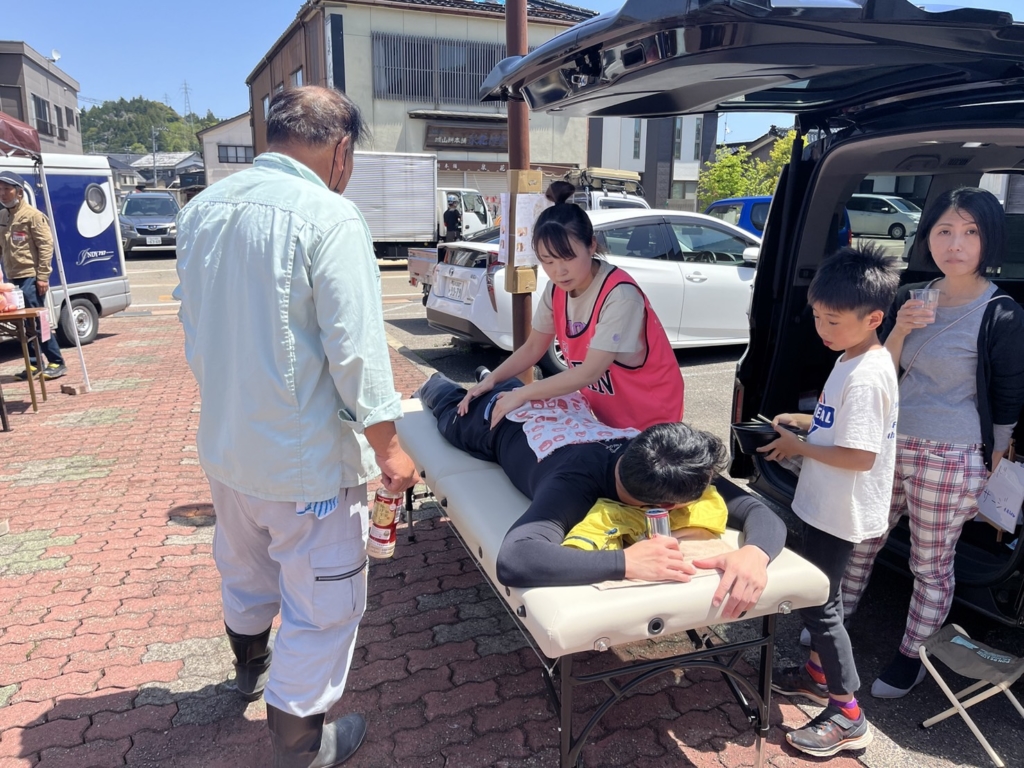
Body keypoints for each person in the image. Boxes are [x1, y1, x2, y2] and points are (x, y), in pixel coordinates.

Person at [175, 86, 419, 768]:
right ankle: (300, 748)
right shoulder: (329, 215)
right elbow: (357, 349)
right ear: (342, 150)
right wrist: (390, 448)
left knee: (245, 572)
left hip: (228, 449)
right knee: (323, 606)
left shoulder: (202, 210)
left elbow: (193, 325)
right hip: (305, 464)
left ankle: (248, 671)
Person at [839, 187, 1024, 699]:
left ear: (989, 239)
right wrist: (898, 329)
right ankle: (835, 623)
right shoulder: (911, 296)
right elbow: (881, 369)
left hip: (953, 455)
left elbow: (1009, 397)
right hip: (890, 443)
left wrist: (994, 459)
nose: (955, 244)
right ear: (928, 237)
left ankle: (912, 656)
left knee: (930, 563)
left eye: (970, 232)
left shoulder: (1002, 312)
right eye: (944, 230)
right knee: (863, 539)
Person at [417, 374, 786, 617]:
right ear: (668, 506)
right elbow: (516, 558)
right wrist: (624, 562)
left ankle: (499, 380)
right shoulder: (573, 483)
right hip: (497, 422)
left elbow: (756, 511)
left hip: (556, 406)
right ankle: (436, 383)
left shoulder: (661, 460)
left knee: (508, 384)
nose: (711, 487)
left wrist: (755, 553)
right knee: (450, 406)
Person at [758, 244, 900, 757]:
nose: (822, 328)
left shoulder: (864, 375)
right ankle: (818, 678)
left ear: (874, 318)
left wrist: (798, 447)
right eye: (818, 316)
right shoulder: (853, 357)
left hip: (841, 509)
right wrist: (805, 423)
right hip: (830, 503)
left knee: (821, 604)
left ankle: (848, 714)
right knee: (826, 596)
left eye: (833, 320)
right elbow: (841, 425)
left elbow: (859, 456)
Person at [458, 182, 683, 431]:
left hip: (652, 418)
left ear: (591, 245)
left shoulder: (620, 295)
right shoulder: (555, 290)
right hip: (608, 417)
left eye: (568, 257)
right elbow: (533, 347)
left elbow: (589, 373)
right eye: (548, 261)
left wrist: (522, 394)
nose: (559, 271)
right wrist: (492, 380)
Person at [0, 170, 67, 380]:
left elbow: (46, 246)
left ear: (19, 192)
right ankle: (34, 363)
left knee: (38, 321)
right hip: (12, 278)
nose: (2, 194)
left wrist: (43, 276)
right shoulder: (3, 216)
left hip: (30, 276)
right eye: (0, 190)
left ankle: (57, 362)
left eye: (7, 189)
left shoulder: (33, 216)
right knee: (22, 325)